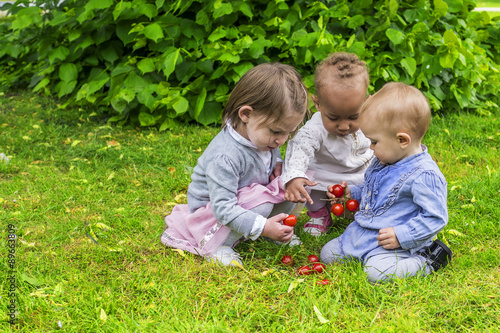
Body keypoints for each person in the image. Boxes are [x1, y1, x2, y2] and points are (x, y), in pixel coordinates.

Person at [161, 63, 309, 266]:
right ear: (246, 114)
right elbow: (223, 208)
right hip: (214, 213)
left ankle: (273, 229)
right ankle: (219, 246)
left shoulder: (260, 136)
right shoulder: (225, 156)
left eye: (288, 132)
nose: (281, 141)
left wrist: (280, 165)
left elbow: (273, 154)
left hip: (249, 196)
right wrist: (262, 225)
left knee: (294, 182)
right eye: (276, 131)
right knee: (263, 206)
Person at [320, 82, 452, 283]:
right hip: (364, 234)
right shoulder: (385, 159)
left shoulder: (424, 175)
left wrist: (402, 235)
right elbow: (374, 190)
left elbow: (435, 217)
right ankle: (364, 253)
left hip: (394, 244)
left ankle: (427, 261)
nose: (370, 148)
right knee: (327, 255)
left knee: (376, 273)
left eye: (374, 142)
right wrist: (352, 194)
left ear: (402, 140)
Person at [282, 52, 373, 236]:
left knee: (370, 193)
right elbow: (300, 149)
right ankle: (319, 215)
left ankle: (360, 214)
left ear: (365, 103)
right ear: (317, 104)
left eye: (353, 117)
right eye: (333, 117)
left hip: (359, 175)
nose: (344, 126)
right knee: (311, 191)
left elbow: (380, 144)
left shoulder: (371, 121)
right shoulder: (314, 129)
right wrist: (295, 176)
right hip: (323, 176)